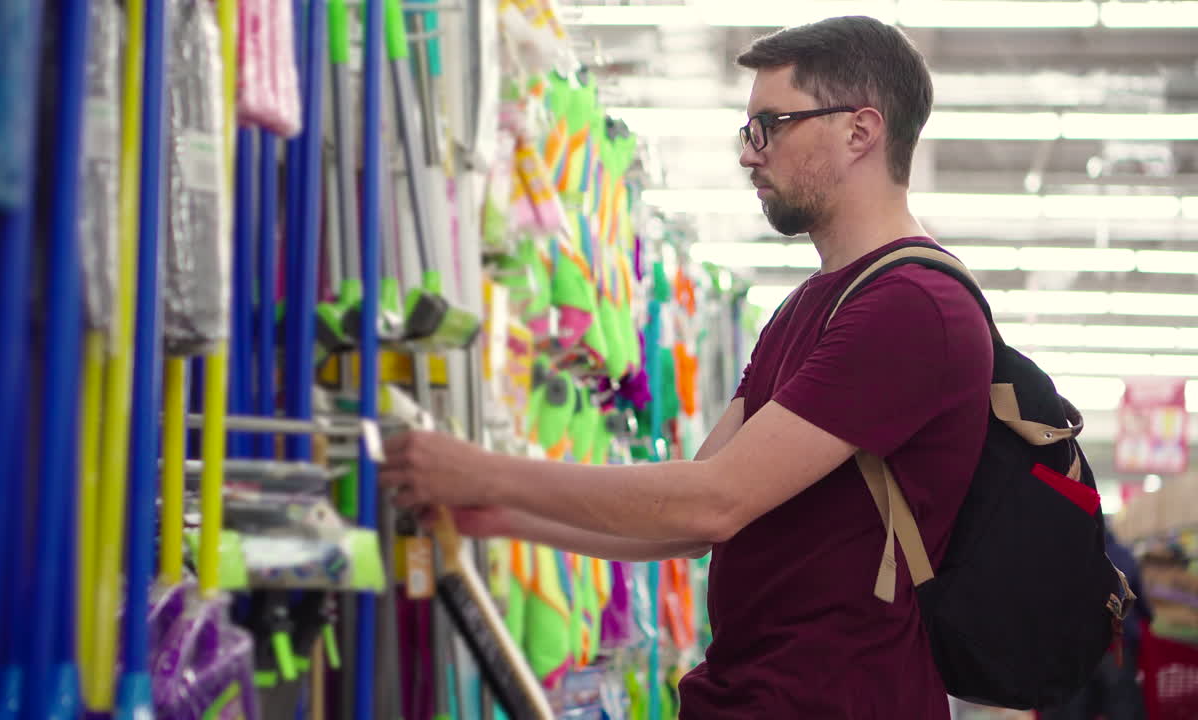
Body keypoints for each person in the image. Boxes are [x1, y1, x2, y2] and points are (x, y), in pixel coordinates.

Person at [379, 15, 993, 719]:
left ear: (860, 131)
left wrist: (485, 470)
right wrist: (502, 517)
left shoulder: (912, 306)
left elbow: (713, 498)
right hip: (748, 696)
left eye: (771, 124)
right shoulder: (810, 307)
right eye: (748, 130)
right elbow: (696, 522)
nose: (749, 155)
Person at [1041, 527, 1153, 720]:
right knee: (1121, 705)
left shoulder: (1065, 555)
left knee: (1076, 706)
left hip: (1078, 649)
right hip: (1116, 646)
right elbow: (1137, 598)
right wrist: (1147, 618)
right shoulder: (1123, 554)